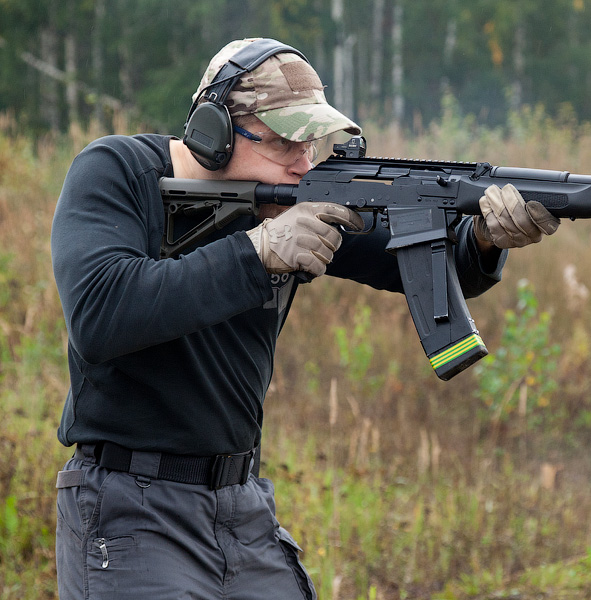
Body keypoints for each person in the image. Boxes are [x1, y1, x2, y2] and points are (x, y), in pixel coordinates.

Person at [50, 38, 560, 600]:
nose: (302, 163)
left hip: (240, 503)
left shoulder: (289, 199)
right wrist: (257, 252)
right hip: (128, 504)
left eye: (311, 143)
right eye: (283, 142)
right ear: (213, 134)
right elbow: (99, 315)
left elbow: (420, 261)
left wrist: (484, 238)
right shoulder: (118, 172)